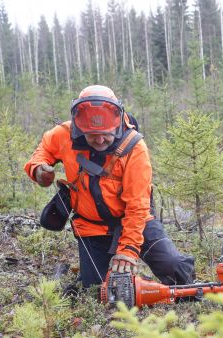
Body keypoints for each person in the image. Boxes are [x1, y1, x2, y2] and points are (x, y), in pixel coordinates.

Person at [24, 85, 194, 288]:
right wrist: (38, 169)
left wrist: (128, 249)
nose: (100, 140)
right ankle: (129, 285)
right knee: (98, 290)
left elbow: (138, 205)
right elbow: (43, 150)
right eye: (92, 135)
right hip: (91, 227)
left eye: (105, 134)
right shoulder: (64, 134)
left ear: (116, 123)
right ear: (80, 127)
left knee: (175, 269)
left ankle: (151, 288)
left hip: (137, 221)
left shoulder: (135, 148)